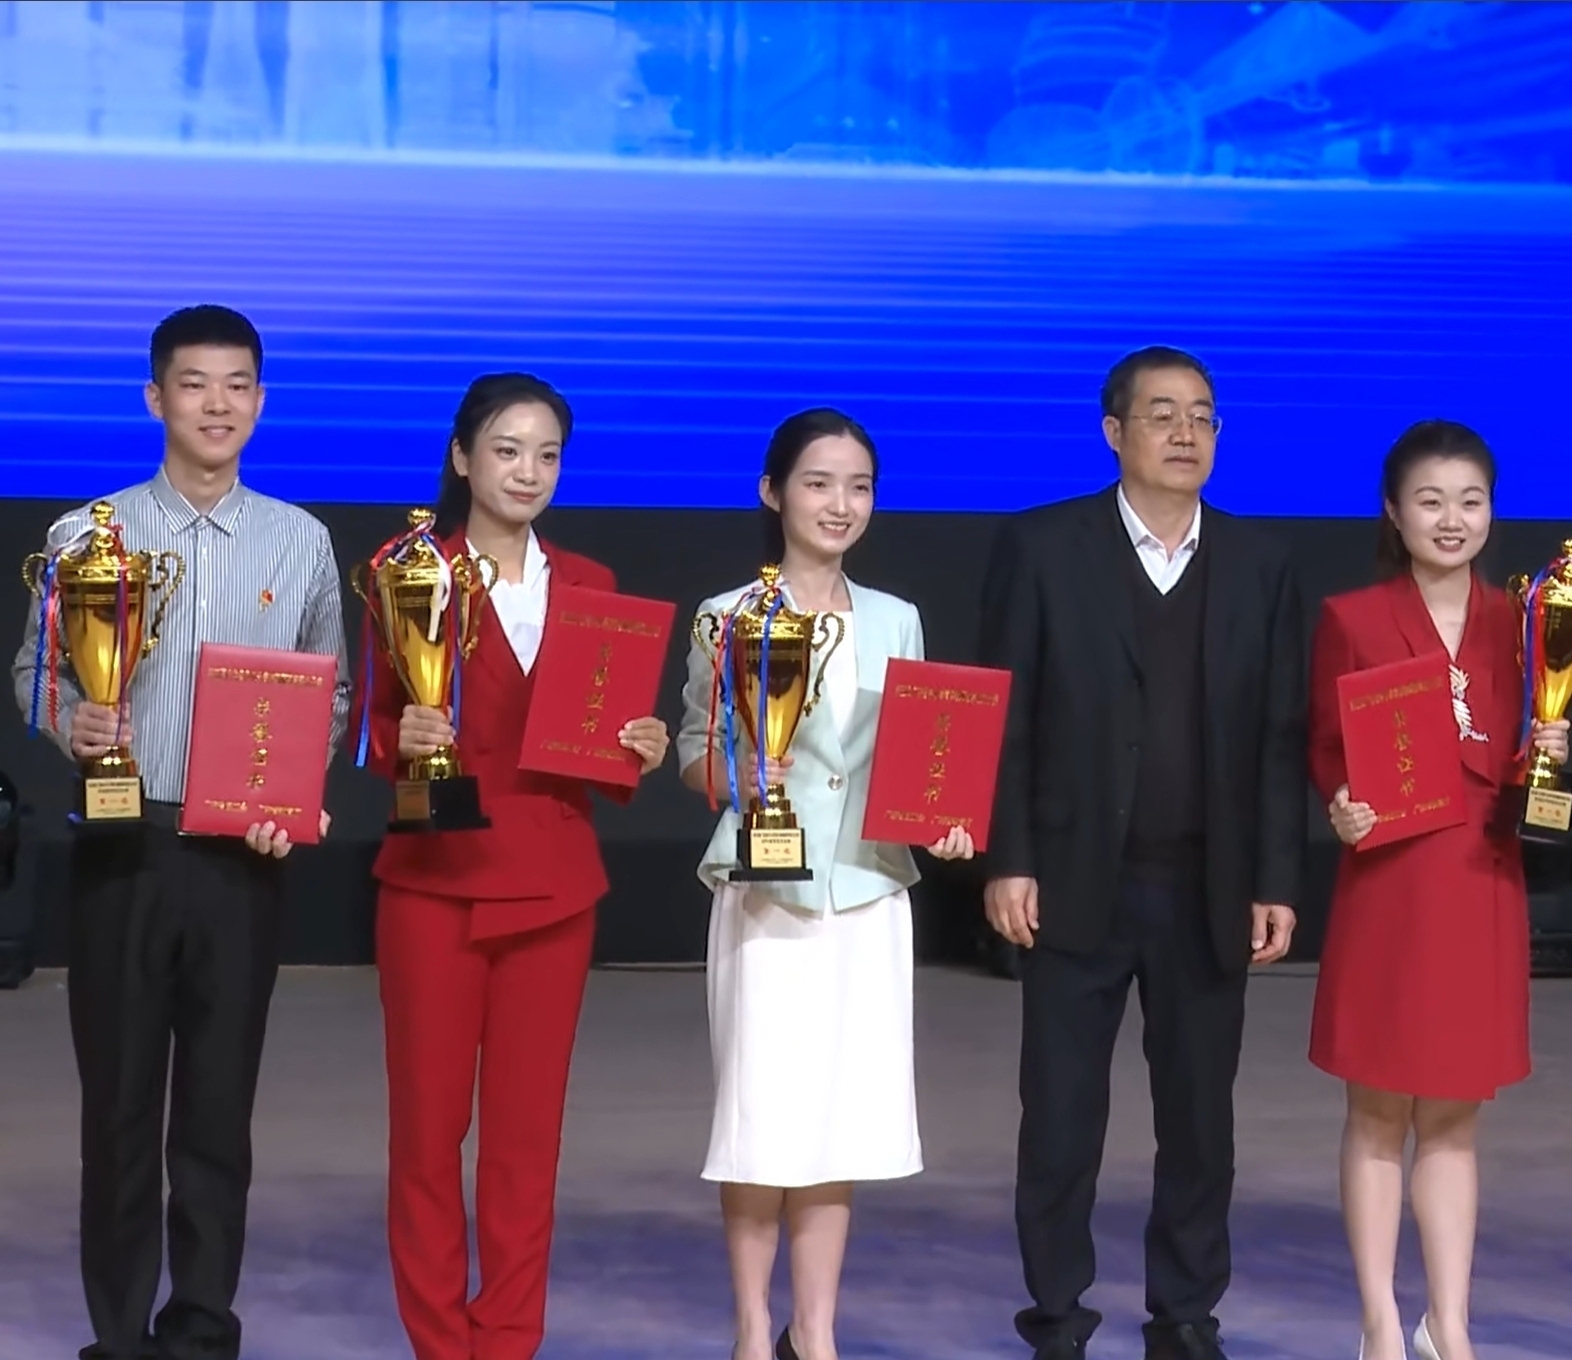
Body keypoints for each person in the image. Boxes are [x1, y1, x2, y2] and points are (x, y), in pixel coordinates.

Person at [9, 304, 352, 1360]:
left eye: (237, 384)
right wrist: (73, 719)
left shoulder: (300, 541)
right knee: (117, 1111)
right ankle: (118, 1337)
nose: (217, 404)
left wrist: (291, 795)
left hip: (243, 857)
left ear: (260, 400)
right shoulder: (86, 536)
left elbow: (331, 696)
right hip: (125, 843)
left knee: (216, 1111)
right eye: (195, 384)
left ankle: (201, 1328)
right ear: (156, 397)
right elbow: (34, 674)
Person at [977, 346, 1308, 1360]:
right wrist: (1007, 856)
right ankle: (1056, 1316)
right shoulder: (1043, 545)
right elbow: (1004, 716)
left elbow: (1279, 735)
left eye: (1202, 415)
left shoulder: (1260, 562)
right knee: (1060, 1117)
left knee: (1200, 1121)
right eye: (1161, 414)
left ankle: (1186, 1312)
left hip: (1207, 884)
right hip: (1073, 878)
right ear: (1113, 432)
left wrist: (1275, 878)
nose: (1184, 433)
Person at [357, 372, 670, 1360]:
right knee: (426, 1135)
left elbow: (600, 743)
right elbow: (371, 723)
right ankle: (437, 1342)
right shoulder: (408, 570)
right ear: (462, 458)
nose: (527, 470)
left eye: (546, 454)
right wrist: (401, 737)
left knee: (526, 1144)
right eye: (505, 449)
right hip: (434, 882)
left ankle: (505, 1342)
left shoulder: (593, 586)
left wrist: (641, 744)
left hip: (553, 886)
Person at [675, 407, 975, 1360]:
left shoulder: (897, 618)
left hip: (869, 892)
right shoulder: (727, 614)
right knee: (762, 1116)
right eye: (818, 483)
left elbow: (922, 756)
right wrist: (740, 773)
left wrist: (943, 818)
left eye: (859, 486)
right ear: (773, 493)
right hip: (769, 893)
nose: (840, 504)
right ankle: (750, 1332)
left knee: (839, 1120)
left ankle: (816, 1332)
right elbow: (694, 756)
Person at [1308, 421, 1569, 1360]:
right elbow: (1326, 747)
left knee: (1455, 1116)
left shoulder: (1529, 620)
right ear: (1393, 511)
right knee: (1378, 1109)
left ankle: (1449, 1323)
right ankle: (1380, 1319)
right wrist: (1341, 803)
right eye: (1430, 501)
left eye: (1470, 501)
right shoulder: (1353, 618)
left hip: (1480, 878)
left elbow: (1530, 746)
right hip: (1389, 881)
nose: (1451, 520)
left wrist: (1550, 751)